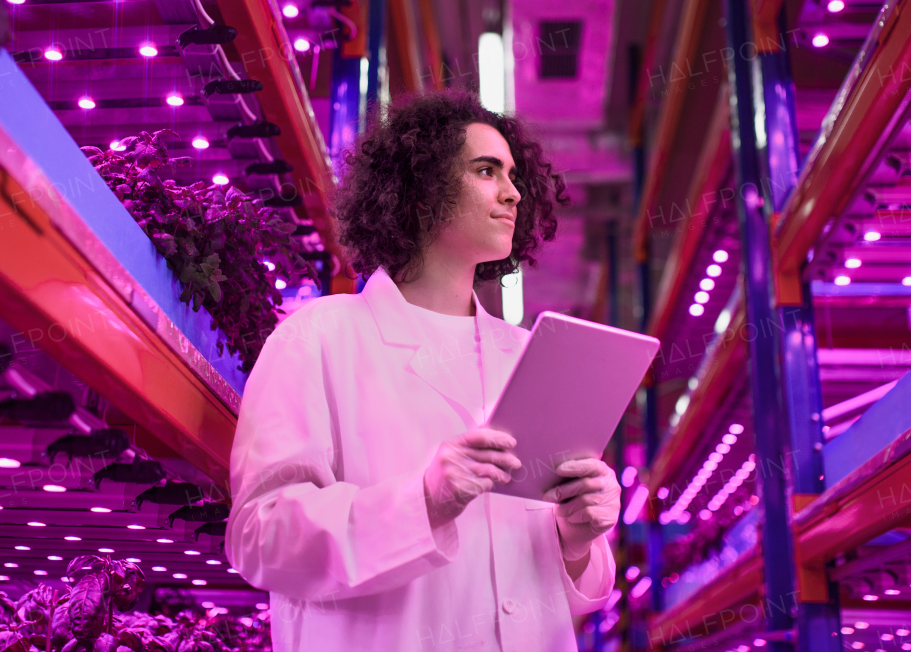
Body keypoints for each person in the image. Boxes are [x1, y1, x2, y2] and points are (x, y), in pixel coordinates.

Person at [226, 91, 623, 651]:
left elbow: (561, 588)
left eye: (512, 175)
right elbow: (258, 537)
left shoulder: (532, 355)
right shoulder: (318, 337)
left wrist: (577, 541)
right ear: (419, 190)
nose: (512, 193)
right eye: (486, 171)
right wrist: (424, 500)